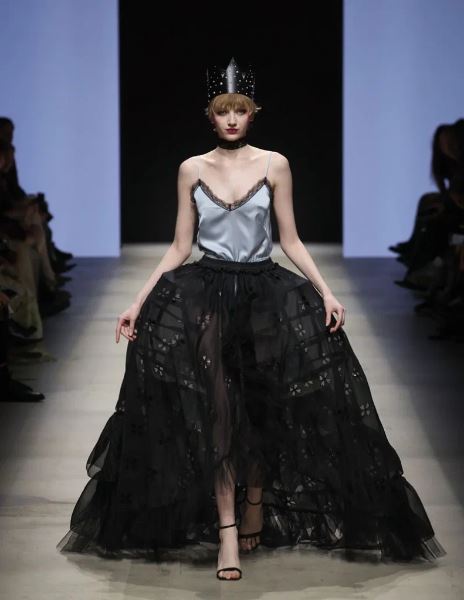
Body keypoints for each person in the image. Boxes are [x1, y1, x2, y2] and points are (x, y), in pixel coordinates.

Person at [57, 57, 446, 581]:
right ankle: (226, 533)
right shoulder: (191, 169)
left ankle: (256, 501)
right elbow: (180, 246)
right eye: (223, 111)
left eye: (240, 110)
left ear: (253, 112)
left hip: (265, 294)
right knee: (219, 412)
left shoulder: (275, 165)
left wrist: (326, 291)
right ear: (210, 115)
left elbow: (291, 240)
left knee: (263, 407)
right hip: (206, 294)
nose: (232, 119)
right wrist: (138, 301)